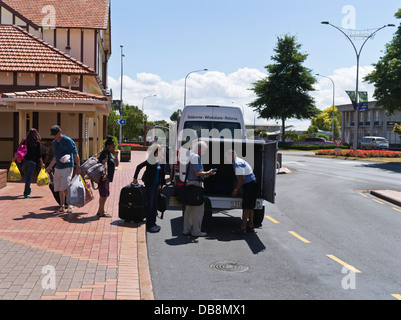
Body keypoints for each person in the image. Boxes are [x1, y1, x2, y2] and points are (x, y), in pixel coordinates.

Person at [182, 140, 215, 237]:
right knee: (198, 210)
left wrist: (205, 174)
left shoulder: (191, 156)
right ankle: (196, 231)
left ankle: (186, 229)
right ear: (199, 148)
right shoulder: (196, 157)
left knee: (189, 209)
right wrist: (208, 173)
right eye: (204, 150)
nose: (205, 152)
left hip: (190, 184)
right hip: (196, 185)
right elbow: (197, 173)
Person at [46, 125, 80, 213]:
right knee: (59, 187)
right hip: (58, 167)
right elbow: (55, 157)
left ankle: (70, 205)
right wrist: (50, 166)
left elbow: (75, 154)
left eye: (56, 134)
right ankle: (62, 206)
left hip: (67, 166)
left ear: (60, 132)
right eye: (53, 134)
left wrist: (78, 166)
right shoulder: (54, 143)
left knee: (65, 185)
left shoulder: (68, 141)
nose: (54, 136)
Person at [133, 144, 166, 233]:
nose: (162, 152)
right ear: (156, 151)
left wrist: (160, 184)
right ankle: (149, 225)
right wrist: (135, 178)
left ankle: (153, 223)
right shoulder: (151, 160)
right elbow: (139, 167)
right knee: (150, 205)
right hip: (150, 185)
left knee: (154, 205)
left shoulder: (158, 160)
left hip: (155, 186)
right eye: (161, 151)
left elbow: (160, 173)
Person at [226, 149, 257, 233]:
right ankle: (251, 226)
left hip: (249, 185)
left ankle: (243, 228)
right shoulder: (238, 161)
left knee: (246, 207)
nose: (226, 158)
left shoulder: (237, 163)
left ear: (232, 155)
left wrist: (236, 190)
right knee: (250, 207)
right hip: (251, 184)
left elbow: (241, 178)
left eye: (227, 156)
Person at [12, 128, 45, 198]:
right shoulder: (37, 143)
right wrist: (42, 163)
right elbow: (39, 155)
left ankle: (28, 189)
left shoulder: (24, 141)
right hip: (32, 163)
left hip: (24, 162)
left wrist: (14, 159)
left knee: (27, 177)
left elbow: (18, 150)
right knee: (28, 178)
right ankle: (26, 193)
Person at [97, 136, 119, 217]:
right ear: (108, 146)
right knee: (104, 195)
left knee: (104, 194)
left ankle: (100, 211)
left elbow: (116, 164)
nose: (114, 148)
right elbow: (104, 163)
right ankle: (101, 212)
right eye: (113, 146)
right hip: (103, 178)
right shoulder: (105, 153)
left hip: (107, 178)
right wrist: (105, 174)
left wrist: (116, 155)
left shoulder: (110, 154)